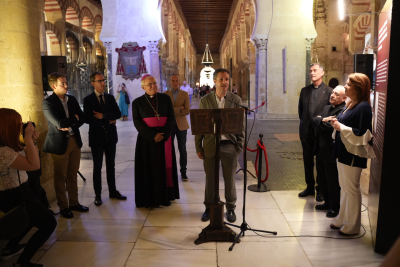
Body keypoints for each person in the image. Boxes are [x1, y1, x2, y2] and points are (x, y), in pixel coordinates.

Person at [0, 108, 57, 267]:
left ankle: (9, 249)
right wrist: (28, 139)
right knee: (48, 223)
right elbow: (34, 165)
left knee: (29, 220)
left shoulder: (9, 145)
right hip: (12, 195)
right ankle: (22, 262)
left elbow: (29, 154)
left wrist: (30, 140)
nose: (21, 126)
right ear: (7, 126)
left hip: (22, 190)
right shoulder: (3, 151)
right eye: (18, 124)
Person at [195, 68, 244, 223]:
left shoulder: (235, 100)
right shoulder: (205, 100)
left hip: (229, 144)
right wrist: (198, 146)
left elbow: (240, 125)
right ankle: (209, 207)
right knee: (211, 178)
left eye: (227, 79)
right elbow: (200, 124)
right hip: (210, 144)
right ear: (214, 81)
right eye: (221, 79)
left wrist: (239, 146)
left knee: (229, 178)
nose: (224, 82)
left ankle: (230, 208)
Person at [330, 73, 375, 235]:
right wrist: (337, 122)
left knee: (352, 189)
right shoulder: (351, 103)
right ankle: (342, 219)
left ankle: (352, 226)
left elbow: (364, 133)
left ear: (358, 88)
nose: (346, 86)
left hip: (353, 154)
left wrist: (341, 127)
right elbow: (345, 123)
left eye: (349, 84)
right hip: (343, 150)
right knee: (344, 187)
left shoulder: (363, 107)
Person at [42, 72, 89, 218]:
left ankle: (74, 203)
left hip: (75, 140)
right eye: (63, 84)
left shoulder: (72, 99)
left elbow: (83, 118)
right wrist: (73, 119)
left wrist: (72, 120)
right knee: (60, 176)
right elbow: (59, 123)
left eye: (66, 82)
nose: (66, 86)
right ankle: (63, 206)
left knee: (72, 174)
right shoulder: (48, 102)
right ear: (53, 85)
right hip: (60, 143)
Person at [132, 74, 180, 208]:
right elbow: (137, 122)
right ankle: (149, 198)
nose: (153, 86)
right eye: (149, 84)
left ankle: (166, 196)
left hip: (165, 138)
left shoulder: (165, 98)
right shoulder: (137, 102)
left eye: (154, 83)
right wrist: (152, 135)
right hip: (147, 140)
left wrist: (164, 135)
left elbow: (171, 117)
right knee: (148, 166)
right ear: (143, 87)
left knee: (165, 166)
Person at [83, 72, 127, 207]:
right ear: (93, 83)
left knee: (111, 165)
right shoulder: (88, 100)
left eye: (104, 80)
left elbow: (118, 113)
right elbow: (88, 119)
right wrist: (108, 120)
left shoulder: (110, 97)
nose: (103, 83)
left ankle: (112, 191)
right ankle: (98, 194)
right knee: (97, 167)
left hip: (110, 137)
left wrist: (102, 116)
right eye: (100, 81)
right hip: (97, 137)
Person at [298, 63, 333, 201]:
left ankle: (321, 190)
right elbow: (301, 111)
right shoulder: (304, 91)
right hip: (307, 132)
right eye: (311, 71)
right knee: (307, 161)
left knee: (320, 162)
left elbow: (330, 111)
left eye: (315, 70)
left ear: (322, 73)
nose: (312, 73)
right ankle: (310, 187)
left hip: (321, 133)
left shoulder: (329, 91)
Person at [311, 86, 347, 218]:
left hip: (331, 151)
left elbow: (329, 128)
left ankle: (335, 207)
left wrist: (322, 121)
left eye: (337, 94)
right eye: (332, 92)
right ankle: (327, 202)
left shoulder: (342, 110)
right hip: (320, 149)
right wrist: (322, 120)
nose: (332, 95)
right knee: (322, 179)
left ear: (343, 98)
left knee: (332, 181)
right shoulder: (327, 108)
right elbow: (313, 120)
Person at [164, 74, 190, 181]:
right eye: (173, 80)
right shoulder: (165, 94)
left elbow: (187, 110)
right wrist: (179, 108)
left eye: (177, 81)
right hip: (169, 125)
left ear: (179, 82)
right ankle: (169, 171)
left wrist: (173, 111)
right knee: (169, 150)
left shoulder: (185, 94)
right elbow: (164, 111)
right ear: (170, 81)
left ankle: (183, 171)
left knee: (182, 149)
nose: (175, 83)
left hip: (181, 126)